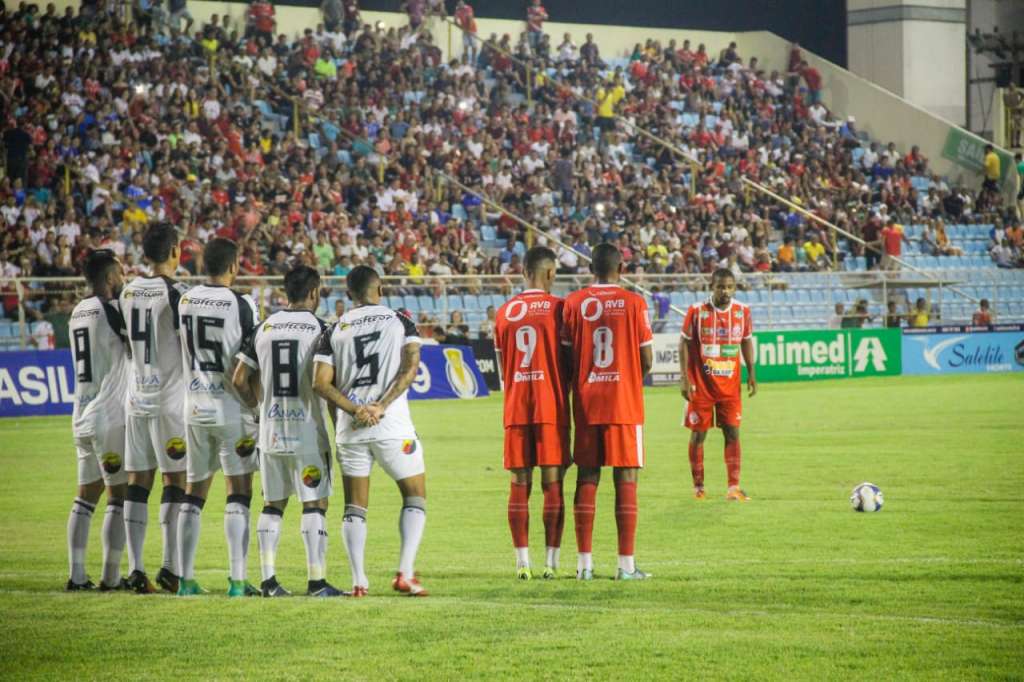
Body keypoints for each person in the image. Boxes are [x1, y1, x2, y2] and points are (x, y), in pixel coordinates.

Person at [313, 266, 429, 596]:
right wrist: (381, 405)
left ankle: (358, 581)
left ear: (349, 293)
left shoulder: (334, 330)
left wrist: (355, 410)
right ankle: (405, 572)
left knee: (354, 506)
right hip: (391, 425)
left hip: (350, 430)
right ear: (380, 287)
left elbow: (320, 383)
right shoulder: (399, 320)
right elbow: (410, 368)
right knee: (415, 494)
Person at [232, 266, 340, 597]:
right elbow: (328, 384)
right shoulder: (323, 330)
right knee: (314, 504)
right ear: (314, 293)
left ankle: (268, 581)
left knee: (272, 505)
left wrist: (257, 409)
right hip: (308, 431)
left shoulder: (264, 327)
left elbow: (238, 378)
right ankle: (316, 581)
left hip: (271, 431)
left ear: (286, 293)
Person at [562, 244, 653, 581]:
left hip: (586, 403)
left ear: (591, 268)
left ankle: (584, 565)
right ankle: (626, 567)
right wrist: (626, 380)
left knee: (587, 476)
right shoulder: (634, 303)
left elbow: (566, 360)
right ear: (622, 268)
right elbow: (647, 360)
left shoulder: (573, 303)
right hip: (624, 405)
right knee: (626, 478)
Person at [175, 238, 260, 597]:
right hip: (230, 408)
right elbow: (250, 360)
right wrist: (255, 408)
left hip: (193, 404)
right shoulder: (243, 305)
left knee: (194, 492)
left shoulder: (185, 300)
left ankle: (186, 579)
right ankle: (238, 580)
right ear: (234, 266)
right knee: (238, 491)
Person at [119, 223, 190, 594]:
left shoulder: (127, 291)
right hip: (169, 401)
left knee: (137, 481)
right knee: (174, 480)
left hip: (136, 399)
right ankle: (169, 567)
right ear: (176, 251)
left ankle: (135, 568)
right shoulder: (178, 293)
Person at [494, 246, 570, 580]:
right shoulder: (560, 310)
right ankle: (551, 564)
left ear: (524, 272)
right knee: (552, 484)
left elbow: (502, 369)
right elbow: (570, 364)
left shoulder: (504, 312)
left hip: (516, 408)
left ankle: (521, 562)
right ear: (551, 273)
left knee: (519, 483)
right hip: (550, 407)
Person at [66, 250, 130, 591]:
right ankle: (111, 576)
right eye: (120, 273)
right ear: (109, 278)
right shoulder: (113, 310)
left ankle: (76, 576)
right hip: (109, 416)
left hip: (81, 413)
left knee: (84, 497)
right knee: (118, 497)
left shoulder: (77, 312)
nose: (123, 278)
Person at [680, 268, 757, 502]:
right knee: (698, 435)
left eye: (729, 287)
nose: (725, 291)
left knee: (732, 432)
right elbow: (683, 343)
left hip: (730, 387)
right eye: (720, 286)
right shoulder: (696, 311)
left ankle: (734, 487)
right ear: (711, 287)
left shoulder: (743, 312)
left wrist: (751, 372)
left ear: (734, 288)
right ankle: (698, 488)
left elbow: (746, 341)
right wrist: (684, 377)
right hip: (700, 386)